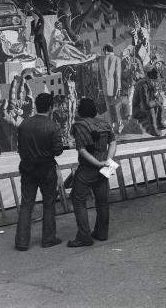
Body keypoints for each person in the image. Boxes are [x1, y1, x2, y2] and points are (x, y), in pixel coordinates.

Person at [14, 93, 64, 251]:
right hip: (47, 169)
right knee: (48, 204)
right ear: (50, 107)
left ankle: (22, 242)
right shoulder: (53, 126)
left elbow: (20, 148)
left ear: (36, 105)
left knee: (26, 205)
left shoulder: (24, 125)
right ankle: (48, 239)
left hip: (28, 169)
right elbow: (58, 151)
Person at [67, 98, 117, 247]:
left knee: (78, 200)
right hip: (104, 167)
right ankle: (102, 233)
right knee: (102, 202)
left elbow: (82, 151)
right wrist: (107, 160)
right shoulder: (105, 123)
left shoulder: (79, 126)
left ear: (81, 111)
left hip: (88, 169)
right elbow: (113, 143)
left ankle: (84, 236)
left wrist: (97, 163)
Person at [101, 44, 123, 134]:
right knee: (114, 107)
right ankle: (119, 125)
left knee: (109, 108)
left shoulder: (101, 60)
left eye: (104, 50)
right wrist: (118, 88)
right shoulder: (117, 59)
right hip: (114, 88)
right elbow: (118, 75)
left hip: (105, 88)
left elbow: (100, 76)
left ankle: (112, 126)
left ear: (106, 50)